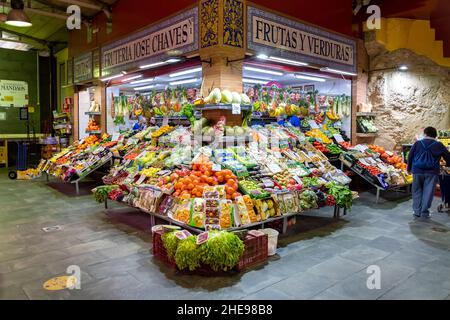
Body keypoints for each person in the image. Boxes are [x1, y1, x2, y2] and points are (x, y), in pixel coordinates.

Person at [407, 127, 450, 219]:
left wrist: (409, 168)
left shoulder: (418, 143)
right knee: (428, 192)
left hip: (417, 170)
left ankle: (416, 211)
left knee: (416, 190)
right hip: (432, 172)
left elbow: (410, 156)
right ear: (435, 135)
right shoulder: (439, 145)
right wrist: (447, 165)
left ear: (425, 134)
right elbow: (448, 157)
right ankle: (424, 212)